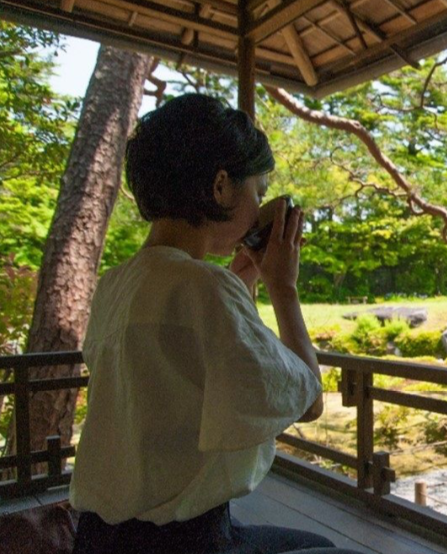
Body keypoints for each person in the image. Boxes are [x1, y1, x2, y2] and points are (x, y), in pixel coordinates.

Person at [70, 94, 362, 554]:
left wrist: (243, 279)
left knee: (314, 542)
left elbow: (191, 366)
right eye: (258, 192)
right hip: (186, 544)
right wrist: (283, 288)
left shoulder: (116, 284)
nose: (258, 205)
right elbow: (307, 399)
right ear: (222, 187)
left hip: (100, 538)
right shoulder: (205, 288)